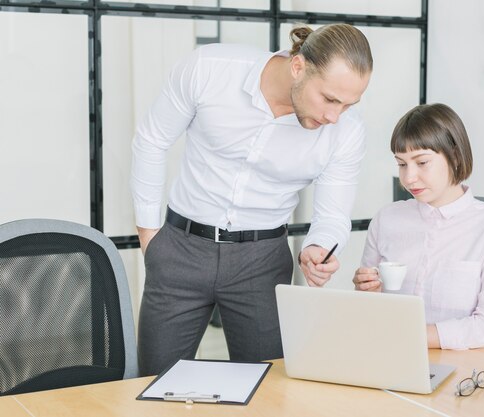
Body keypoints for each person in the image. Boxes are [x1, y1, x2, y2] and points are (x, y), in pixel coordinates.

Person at [131, 24, 373, 376]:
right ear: (298, 67)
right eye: (330, 99)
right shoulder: (210, 69)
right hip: (180, 250)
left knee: (269, 388)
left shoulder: (347, 132)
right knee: (155, 383)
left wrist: (318, 248)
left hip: (263, 262)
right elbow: (151, 141)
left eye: (349, 104)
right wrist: (150, 239)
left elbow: (333, 214)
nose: (334, 117)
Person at [352, 103, 484, 350]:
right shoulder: (387, 219)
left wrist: (406, 337)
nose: (408, 178)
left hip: (462, 370)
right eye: (401, 164)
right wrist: (365, 293)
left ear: (454, 155)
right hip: (387, 358)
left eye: (422, 162)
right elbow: (367, 314)